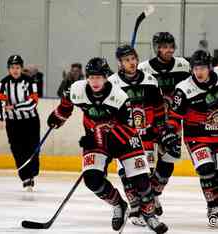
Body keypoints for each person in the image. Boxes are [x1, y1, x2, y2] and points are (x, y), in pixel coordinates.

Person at [47, 57, 168, 233]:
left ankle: (149, 215)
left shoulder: (119, 96)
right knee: (92, 180)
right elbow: (66, 104)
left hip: (125, 139)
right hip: (95, 139)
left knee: (141, 180)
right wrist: (58, 116)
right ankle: (119, 205)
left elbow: (129, 127)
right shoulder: (77, 89)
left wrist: (101, 140)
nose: (95, 81)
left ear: (106, 77)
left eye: (99, 77)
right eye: (91, 77)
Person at [166, 50, 218, 228]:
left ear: (210, 67)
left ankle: (217, 207)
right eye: (196, 68)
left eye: (202, 67)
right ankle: (213, 209)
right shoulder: (183, 89)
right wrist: (171, 132)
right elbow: (174, 116)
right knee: (206, 168)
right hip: (196, 136)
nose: (199, 72)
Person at [109, 45, 165, 227]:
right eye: (126, 60)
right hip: (123, 138)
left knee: (143, 175)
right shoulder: (112, 83)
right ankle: (134, 206)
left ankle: (146, 207)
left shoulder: (150, 81)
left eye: (133, 58)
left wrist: (160, 131)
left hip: (146, 137)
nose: (131, 62)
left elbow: (158, 110)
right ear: (119, 63)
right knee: (126, 174)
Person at [138, 32, 191, 215]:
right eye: (163, 46)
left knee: (168, 163)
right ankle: (144, 203)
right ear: (156, 48)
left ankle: (153, 195)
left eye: (170, 46)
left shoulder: (183, 65)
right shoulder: (143, 68)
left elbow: (192, 89)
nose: (168, 50)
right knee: (148, 164)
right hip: (151, 122)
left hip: (173, 122)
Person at [0, 55, 40, 191]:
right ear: (8, 69)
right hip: (13, 123)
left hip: (31, 121)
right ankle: (26, 178)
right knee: (17, 150)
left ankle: (32, 173)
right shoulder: (3, 83)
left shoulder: (30, 81)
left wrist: (14, 107)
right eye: (12, 68)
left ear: (21, 68)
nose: (15, 70)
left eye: (17, 67)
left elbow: (33, 102)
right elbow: (0, 102)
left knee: (32, 149)